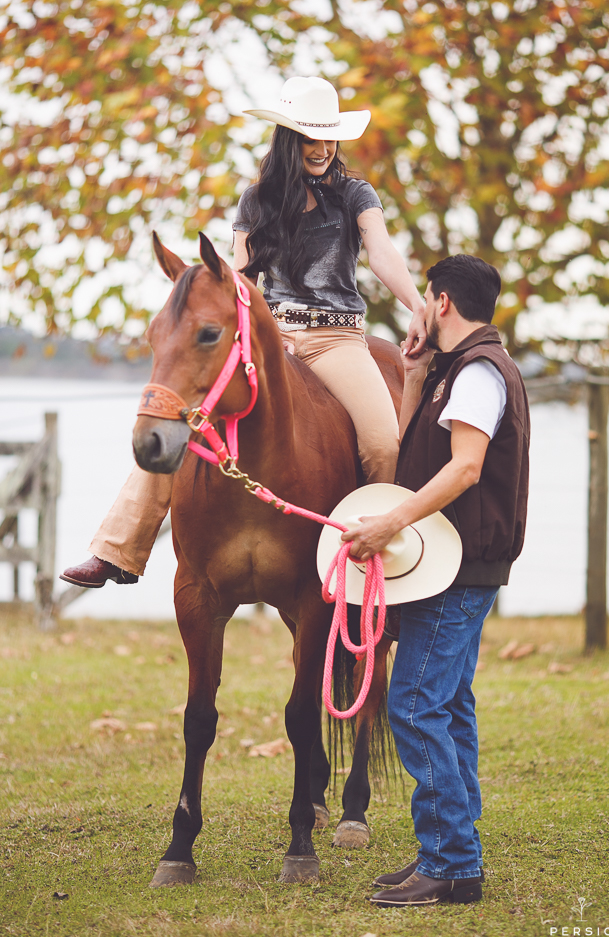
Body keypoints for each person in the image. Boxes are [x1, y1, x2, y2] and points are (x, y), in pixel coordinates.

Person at [61, 76, 428, 589]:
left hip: (336, 339)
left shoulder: (354, 194)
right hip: (271, 339)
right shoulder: (256, 202)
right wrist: (250, 326)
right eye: (309, 137)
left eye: (329, 137)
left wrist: (417, 303)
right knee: (184, 419)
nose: (322, 148)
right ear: (287, 139)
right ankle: (116, 550)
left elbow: (383, 251)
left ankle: (379, 561)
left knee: (383, 442)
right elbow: (241, 279)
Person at [342, 254, 530, 907]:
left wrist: (388, 523)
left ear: (442, 301)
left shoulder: (479, 375)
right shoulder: (454, 372)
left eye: (425, 296)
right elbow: (407, 452)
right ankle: (452, 849)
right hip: (450, 562)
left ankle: (452, 862)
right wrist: (415, 374)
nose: (421, 304)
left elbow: (465, 469)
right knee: (447, 703)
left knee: (417, 705)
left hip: (459, 565)